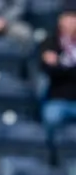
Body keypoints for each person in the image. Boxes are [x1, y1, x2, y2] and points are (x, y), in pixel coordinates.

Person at [39, 1, 76, 133]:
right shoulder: (51, 42)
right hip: (58, 98)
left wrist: (60, 65)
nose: (71, 22)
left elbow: (57, 68)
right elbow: (48, 70)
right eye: (67, 17)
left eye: (74, 18)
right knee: (51, 117)